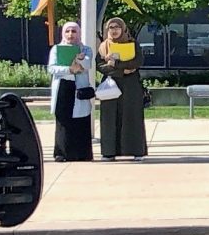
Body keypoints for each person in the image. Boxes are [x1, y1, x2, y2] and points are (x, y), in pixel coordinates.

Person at [96, 14, 148, 159]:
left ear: (123, 29)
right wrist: (122, 70)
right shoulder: (103, 46)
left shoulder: (132, 43)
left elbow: (137, 62)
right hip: (110, 86)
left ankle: (136, 151)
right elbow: (100, 66)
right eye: (111, 27)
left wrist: (116, 64)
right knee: (109, 118)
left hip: (131, 87)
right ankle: (109, 152)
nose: (114, 30)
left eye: (117, 27)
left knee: (132, 117)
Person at [49, 22, 95, 162]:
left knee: (81, 120)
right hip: (63, 87)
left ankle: (82, 154)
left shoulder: (85, 49)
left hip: (79, 88)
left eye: (74, 31)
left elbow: (88, 65)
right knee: (63, 121)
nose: (70, 34)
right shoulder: (56, 49)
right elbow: (51, 68)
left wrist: (80, 59)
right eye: (67, 31)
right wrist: (69, 69)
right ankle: (61, 153)